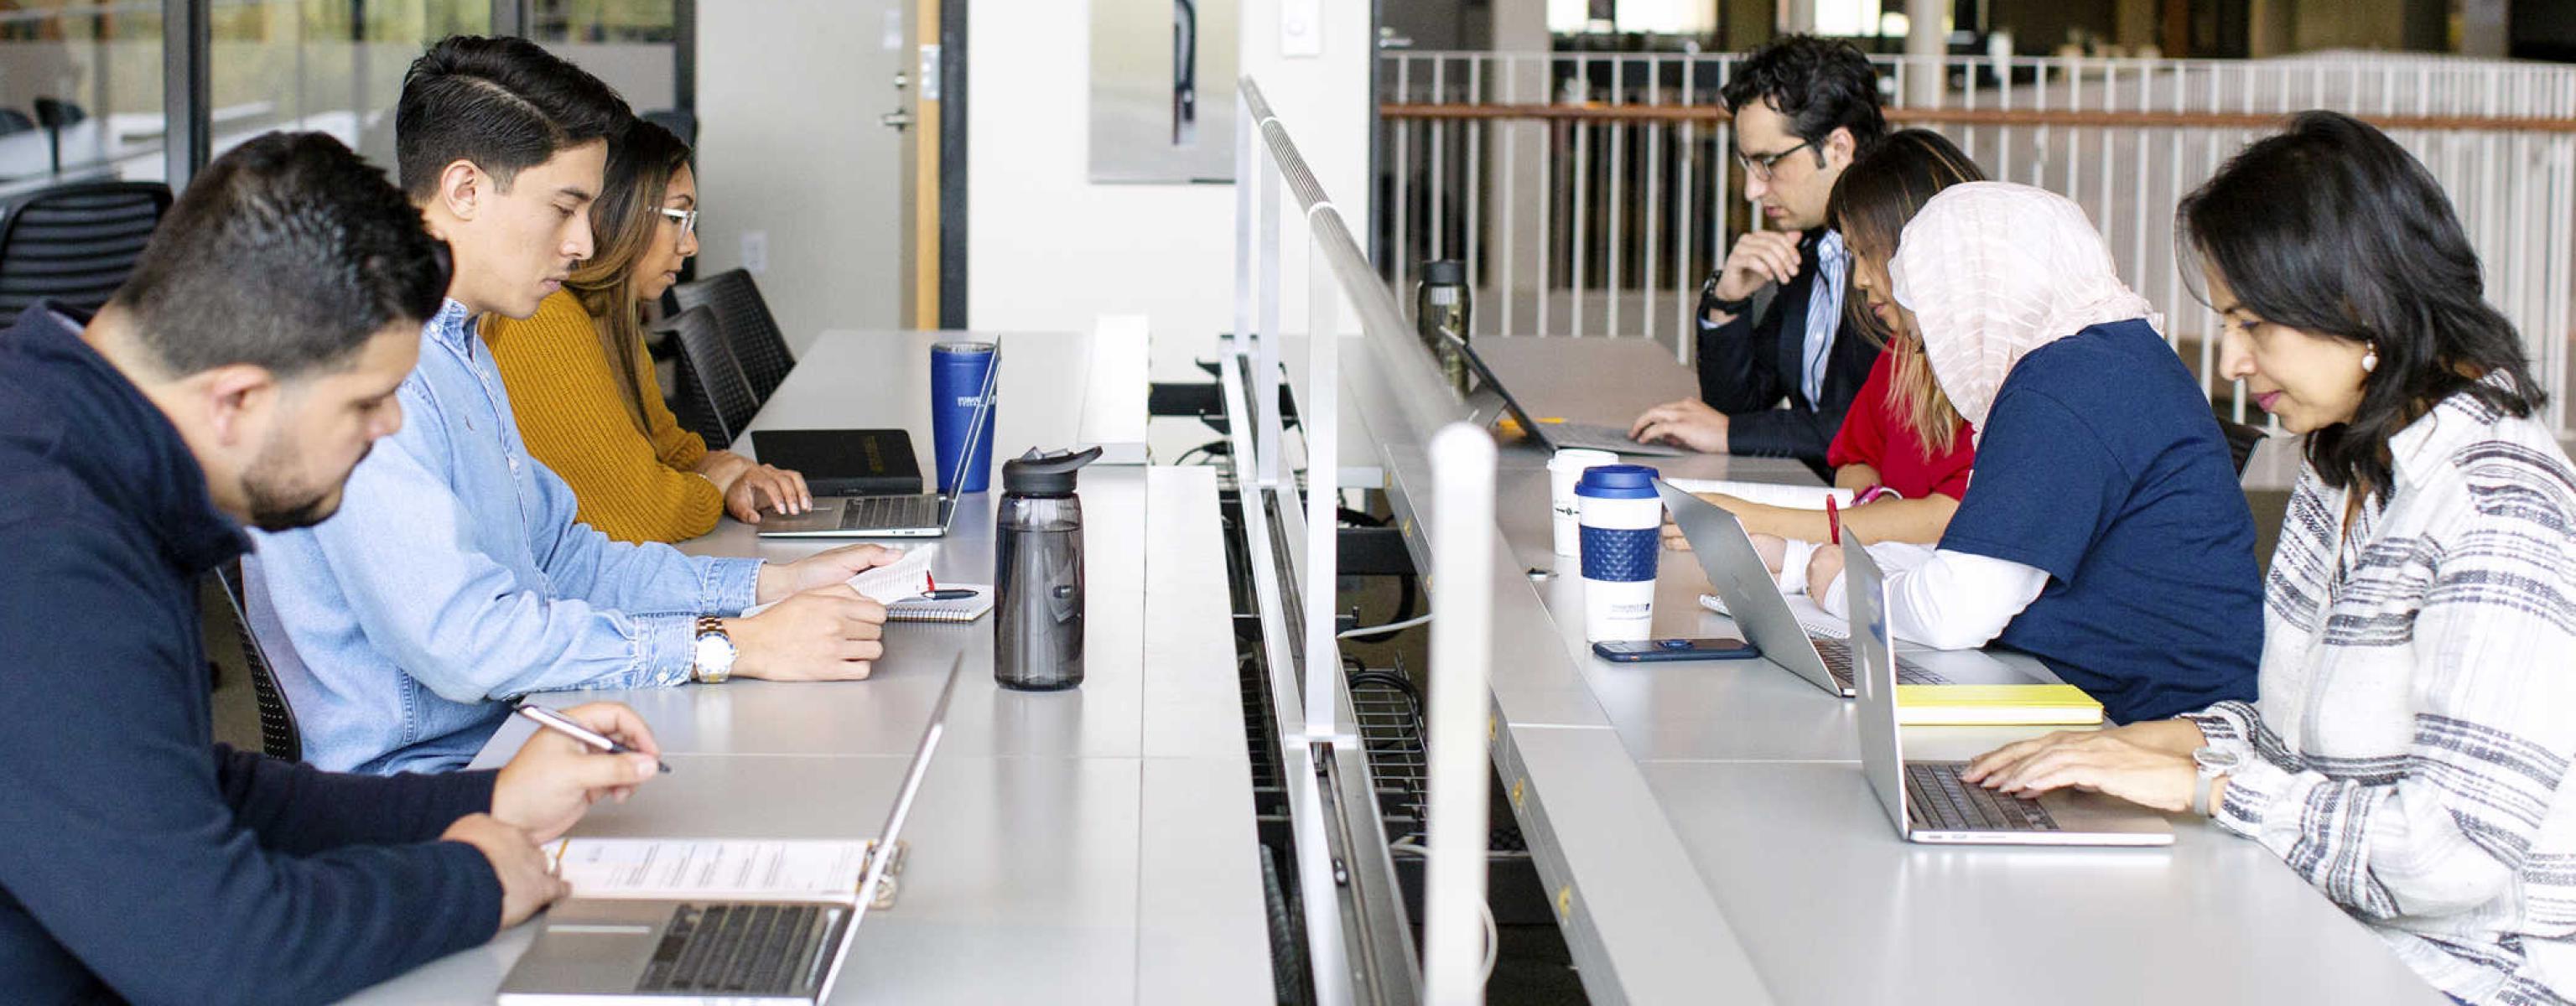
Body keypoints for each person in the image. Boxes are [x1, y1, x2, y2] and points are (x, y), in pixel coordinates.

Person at [0, 131, 665, 1005]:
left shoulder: (78, 448)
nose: (390, 427)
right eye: (366, 398)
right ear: (237, 398)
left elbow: (190, 787)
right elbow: (215, 953)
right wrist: (471, 879)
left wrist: (492, 797)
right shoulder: (48, 545)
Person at [1966, 112, 2576, 1005]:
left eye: (2253, 325)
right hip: (2331, 924)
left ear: (2358, 305)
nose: (2230, 358)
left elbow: (2455, 857)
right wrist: (2140, 744)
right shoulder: (2343, 467)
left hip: (2473, 974)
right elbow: (2303, 740)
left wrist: (2202, 787)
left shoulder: (2499, 504)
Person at [247, 37, 893, 775]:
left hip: (530, 726)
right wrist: (730, 645)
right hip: (438, 782)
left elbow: (559, 554)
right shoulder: (371, 374)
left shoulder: (465, 345)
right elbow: (465, 641)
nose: (585, 244)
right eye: (564, 207)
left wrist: (770, 586)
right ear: (464, 190)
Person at [1799, 181, 2262, 724]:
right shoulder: (2101, 358)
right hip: (2098, 701)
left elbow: (1957, 611)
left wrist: (1842, 592)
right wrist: (1805, 565)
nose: (1938, 359)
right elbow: (1972, 560)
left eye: (1933, 330)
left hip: (2148, 732)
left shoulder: (2063, 387)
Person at [1666, 129, 1981, 595]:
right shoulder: (1902, 353)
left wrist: (1755, 515)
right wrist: (1875, 509)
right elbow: (1853, 456)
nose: (1859, 280)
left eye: (1868, 255)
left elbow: (1949, 513)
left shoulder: (1987, 367)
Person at [484, 119, 811, 543]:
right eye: (677, 217)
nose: (690, 245)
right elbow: (642, 516)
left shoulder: (609, 315)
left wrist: (734, 474)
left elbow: (669, 449)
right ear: (614, 212)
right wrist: (711, 487)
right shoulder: (542, 318)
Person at [1628, 35, 1885, 472]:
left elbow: (1870, 430)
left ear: (1838, 149)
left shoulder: (1901, 257)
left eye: (1769, 163)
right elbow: (1737, 408)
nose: (1752, 189)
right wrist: (1728, 300)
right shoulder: (1811, 247)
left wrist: (1731, 433)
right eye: (1749, 165)